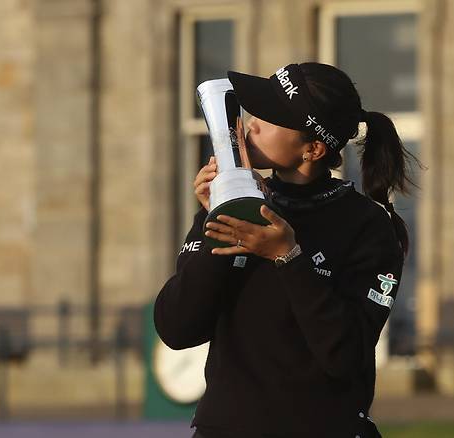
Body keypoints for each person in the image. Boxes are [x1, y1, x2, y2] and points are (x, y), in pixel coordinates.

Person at [154, 62, 419, 438]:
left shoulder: (368, 226)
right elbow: (176, 328)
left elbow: (345, 356)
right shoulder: (238, 203)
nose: (251, 124)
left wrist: (288, 257)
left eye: (270, 117)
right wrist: (215, 217)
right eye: (255, 111)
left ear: (313, 148)